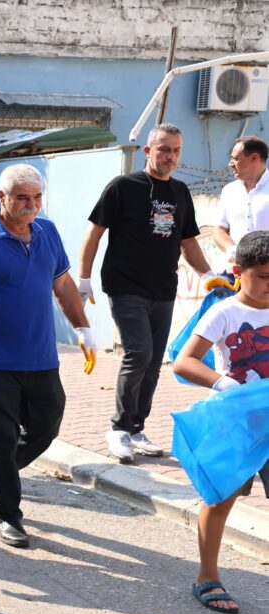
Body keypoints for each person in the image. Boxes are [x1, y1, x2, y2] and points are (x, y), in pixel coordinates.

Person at [0, 163, 96, 548]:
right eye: (22, 198)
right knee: (2, 437)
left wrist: (83, 328)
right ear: (2, 198)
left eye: (36, 198)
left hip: (40, 355)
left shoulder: (47, 232)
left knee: (47, 424)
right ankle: (7, 515)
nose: (31, 206)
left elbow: (62, 285)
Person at [77, 123, 217, 463]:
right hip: (125, 286)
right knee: (138, 353)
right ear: (147, 151)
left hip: (163, 289)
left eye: (176, 151)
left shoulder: (181, 193)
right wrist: (83, 279)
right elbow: (94, 234)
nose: (170, 156)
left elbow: (187, 242)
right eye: (164, 149)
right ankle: (118, 428)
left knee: (154, 362)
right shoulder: (123, 187)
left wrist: (210, 274)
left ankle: (137, 427)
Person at [173, 230, 269, 614]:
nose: (268, 284)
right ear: (237, 271)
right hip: (235, 423)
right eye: (262, 275)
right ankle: (207, 575)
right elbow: (184, 361)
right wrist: (221, 381)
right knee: (221, 499)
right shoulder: (225, 312)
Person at [213, 136, 269, 262]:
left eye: (236, 158)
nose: (230, 164)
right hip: (234, 272)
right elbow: (219, 230)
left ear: (254, 158)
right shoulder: (229, 190)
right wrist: (233, 251)